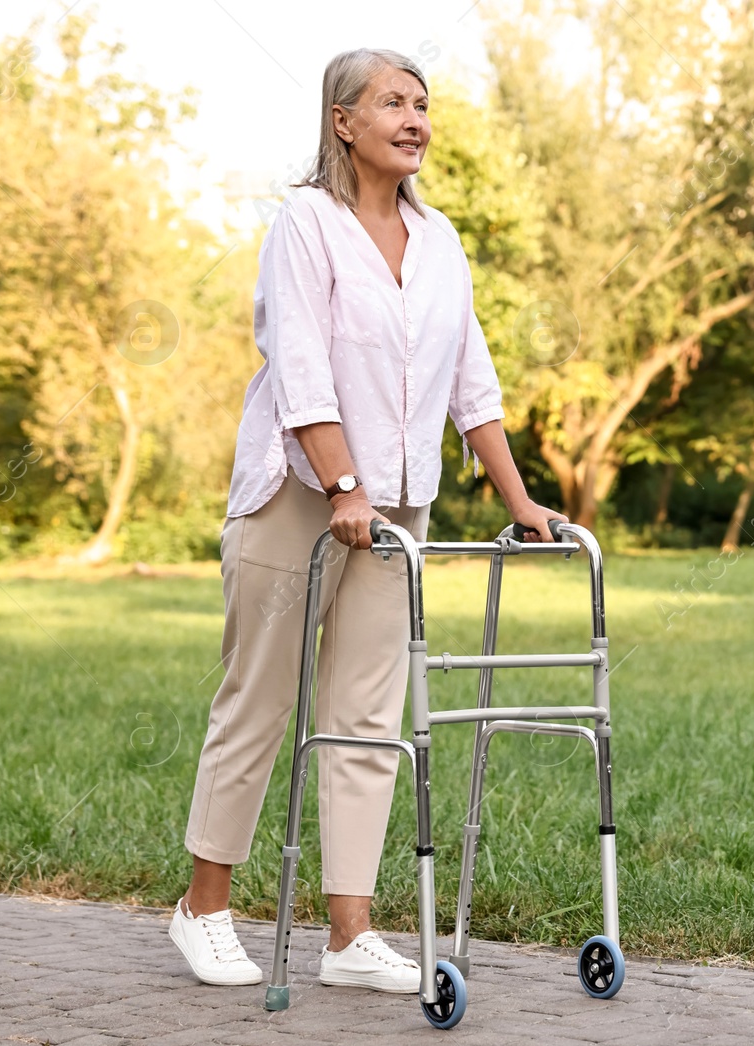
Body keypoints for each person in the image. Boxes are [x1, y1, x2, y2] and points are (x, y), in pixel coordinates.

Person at [169, 47, 564, 993]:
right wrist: (343, 482)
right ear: (342, 120)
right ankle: (203, 907)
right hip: (300, 497)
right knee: (259, 700)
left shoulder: (441, 240)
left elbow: (472, 378)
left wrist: (518, 500)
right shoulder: (307, 222)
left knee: (366, 717)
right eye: (393, 102)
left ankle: (349, 935)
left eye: (423, 104)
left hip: (398, 508)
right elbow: (299, 358)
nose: (415, 119)